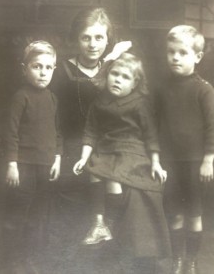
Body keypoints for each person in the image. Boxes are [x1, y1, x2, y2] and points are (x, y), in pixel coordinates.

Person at [73, 52, 171, 273]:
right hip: (107, 147)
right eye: (114, 74)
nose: (117, 79)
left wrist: (156, 162)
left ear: (135, 83)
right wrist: (83, 157)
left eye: (125, 77)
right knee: (95, 171)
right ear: (107, 74)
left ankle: (113, 223)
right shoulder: (100, 102)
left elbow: (151, 135)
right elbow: (91, 131)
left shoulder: (140, 104)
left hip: (132, 149)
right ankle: (99, 223)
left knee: (114, 180)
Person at [154, 25, 214, 274]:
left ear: (197, 56)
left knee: (193, 212)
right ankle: (177, 260)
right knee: (174, 213)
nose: (175, 57)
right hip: (169, 161)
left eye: (182, 52)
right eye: (171, 52)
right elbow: (153, 122)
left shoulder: (204, 89)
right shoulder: (161, 88)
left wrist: (208, 160)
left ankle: (192, 260)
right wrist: (156, 158)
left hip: (195, 163)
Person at [50, 7, 131, 194]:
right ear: (76, 39)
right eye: (86, 38)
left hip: (108, 143)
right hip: (72, 144)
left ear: (108, 39)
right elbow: (54, 119)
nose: (93, 45)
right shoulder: (62, 71)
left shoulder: (115, 70)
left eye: (99, 38)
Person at [2, 40, 63, 273]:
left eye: (48, 68)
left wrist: (57, 158)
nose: (43, 72)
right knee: (20, 213)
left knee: (39, 215)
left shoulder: (53, 98)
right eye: (37, 66)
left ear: (54, 70)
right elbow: (11, 132)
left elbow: (58, 133)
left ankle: (31, 259)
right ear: (24, 69)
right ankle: (13, 261)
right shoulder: (21, 97)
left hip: (45, 167)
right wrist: (12, 164)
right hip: (24, 167)